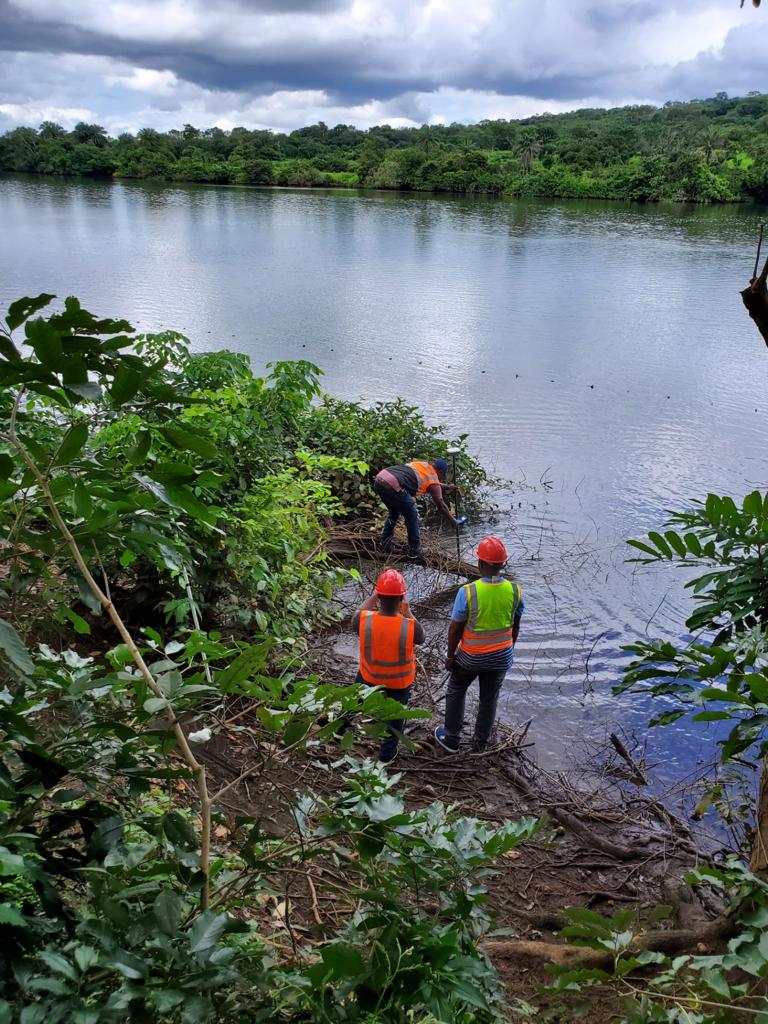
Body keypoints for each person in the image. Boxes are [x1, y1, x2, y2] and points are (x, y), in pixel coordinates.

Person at [434, 535, 523, 754]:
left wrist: (450, 656)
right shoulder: (515, 591)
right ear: (503, 564)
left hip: (471, 657)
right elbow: (516, 626)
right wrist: (507, 650)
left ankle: (452, 738)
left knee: (456, 688)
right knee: (489, 698)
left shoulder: (468, 592)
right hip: (501, 657)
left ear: (480, 563)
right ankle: (480, 744)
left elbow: (455, 629)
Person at [351, 568, 425, 764]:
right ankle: (386, 755)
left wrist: (375, 595)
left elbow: (356, 614)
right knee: (395, 719)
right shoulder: (409, 625)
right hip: (399, 682)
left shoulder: (364, 619)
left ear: (379, 596)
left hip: (369, 676)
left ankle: (340, 728)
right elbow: (422, 637)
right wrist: (407, 611)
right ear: (401, 598)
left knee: (354, 698)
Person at [374, 458, 462, 558]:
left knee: (394, 513)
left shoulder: (422, 465)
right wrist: (453, 520)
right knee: (412, 514)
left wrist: (446, 486)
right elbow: (441, 505)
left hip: (380, 479)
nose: (441, 478)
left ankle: (385, 543)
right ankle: (415, 549)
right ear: (441, 472)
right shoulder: (433, 482)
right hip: (392, 485)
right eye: (443, 475)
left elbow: (430, 480)